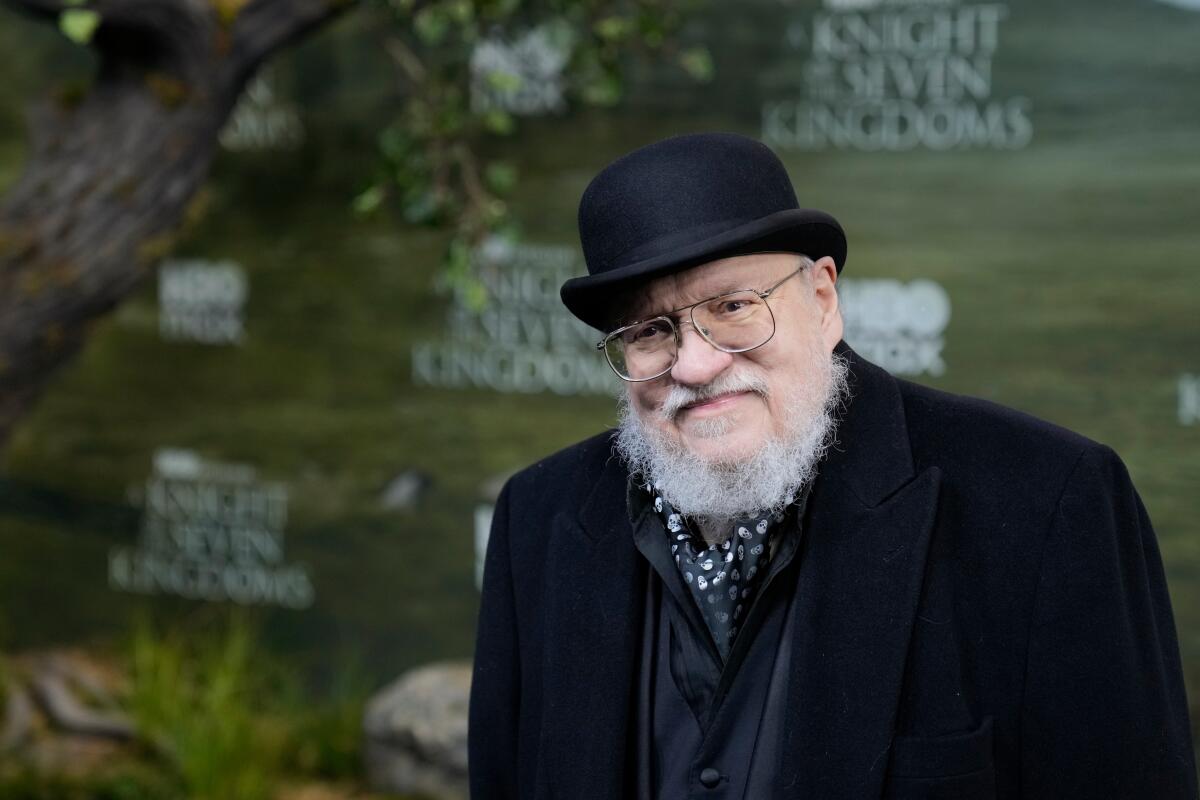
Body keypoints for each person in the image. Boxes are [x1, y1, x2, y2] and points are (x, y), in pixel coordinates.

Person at [467, 132, 1198, 799]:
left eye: (732, 307)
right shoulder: (541, 518)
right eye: (652, 331)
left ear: (822, 299)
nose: (693, 364)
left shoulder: (1046, 501)